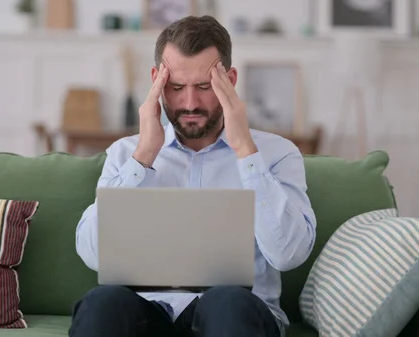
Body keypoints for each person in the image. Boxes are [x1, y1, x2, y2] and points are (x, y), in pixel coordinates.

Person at [71, 15, 317, 337]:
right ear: (156, 80)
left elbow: (289, 255)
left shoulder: (277, 153)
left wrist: (245, 150)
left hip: (235, 314)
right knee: (102, 302)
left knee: (227, 300)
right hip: (148, 314)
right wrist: (143, 156)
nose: (189, 103)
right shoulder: (125, 154)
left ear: (229, 79)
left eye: (204, 87)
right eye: (176, 87)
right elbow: (91, 254)